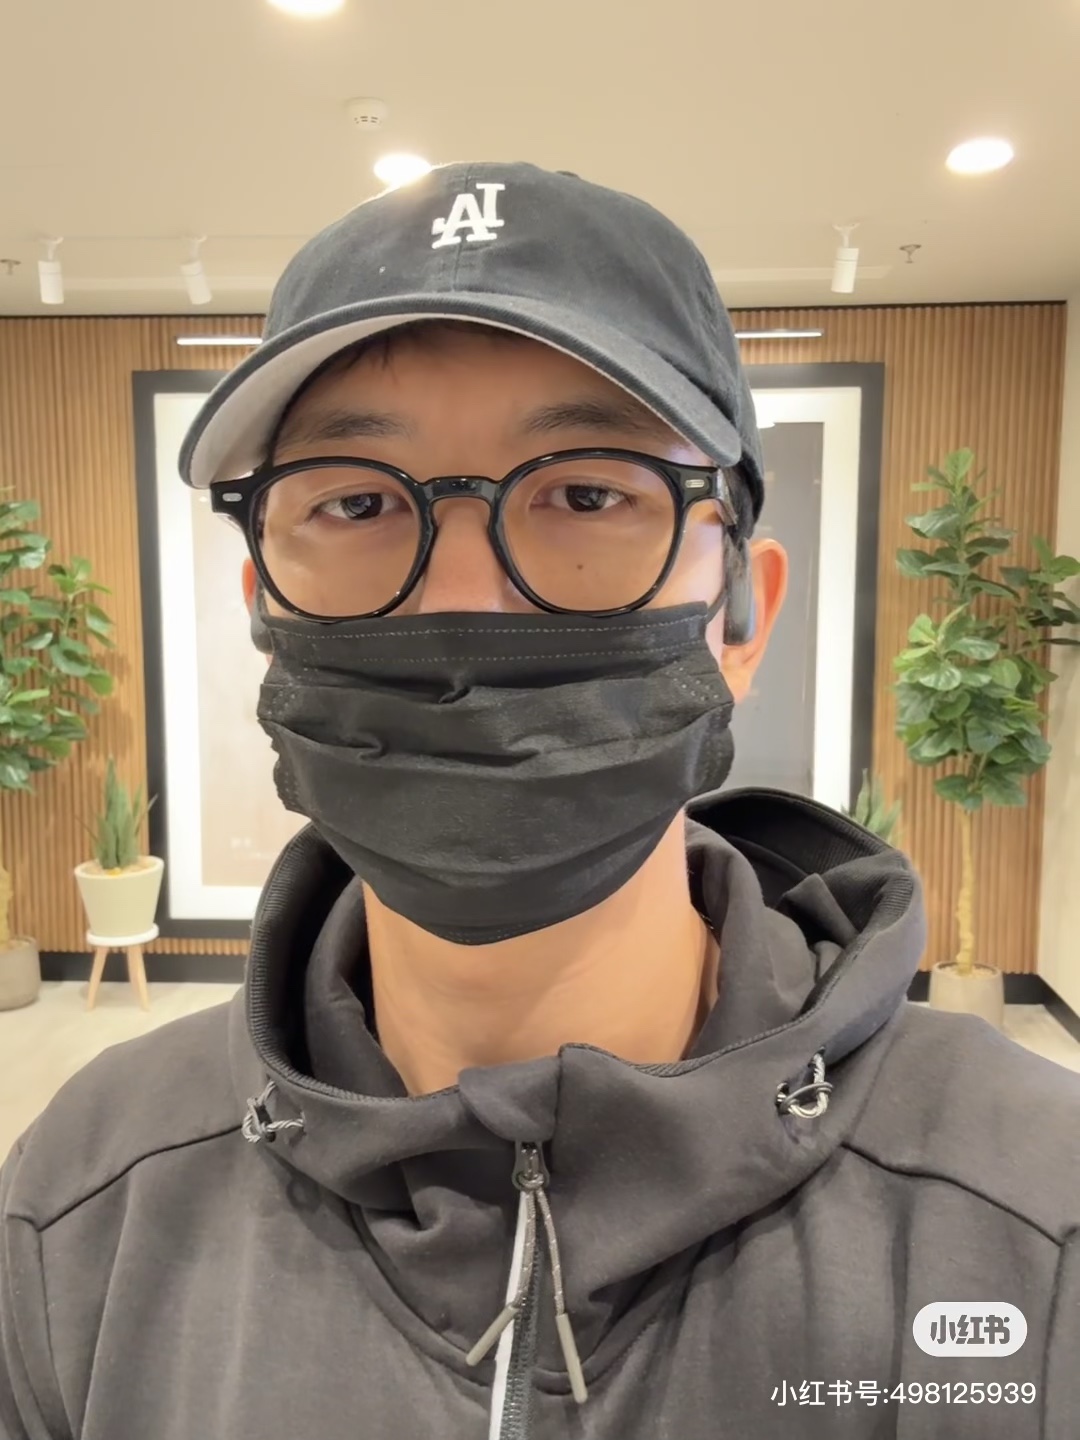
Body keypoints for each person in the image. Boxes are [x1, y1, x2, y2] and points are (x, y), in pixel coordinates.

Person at [1, 163, 1078, 1440]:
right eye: (356, 501)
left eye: (588, 492)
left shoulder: (1032, 1212)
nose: (464, 600)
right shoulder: (84, 1203)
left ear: (743, 617)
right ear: (263, 610)